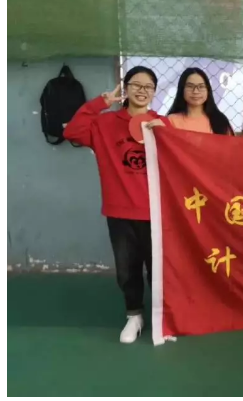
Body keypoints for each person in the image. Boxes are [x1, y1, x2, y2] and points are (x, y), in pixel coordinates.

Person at [63, 66, 164, 344]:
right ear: (126, 88)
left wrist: (166, 134)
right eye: (136, 84)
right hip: (120, 212)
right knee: (127, 269)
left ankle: (162, 319)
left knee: (159, 271)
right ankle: (134, 316)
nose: (142, 90)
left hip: (157, 213)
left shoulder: (161, 124)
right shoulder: (105, 124)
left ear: (154, 92)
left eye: (148, 86)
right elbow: (72, 131)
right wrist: (101, 103)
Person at [151, 68, 234, 135]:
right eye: (190, 86)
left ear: (208, 90)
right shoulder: (170, 121)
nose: (195, 91)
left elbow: (230, 148)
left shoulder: (220, 121)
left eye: (201, 86)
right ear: (182, 90)